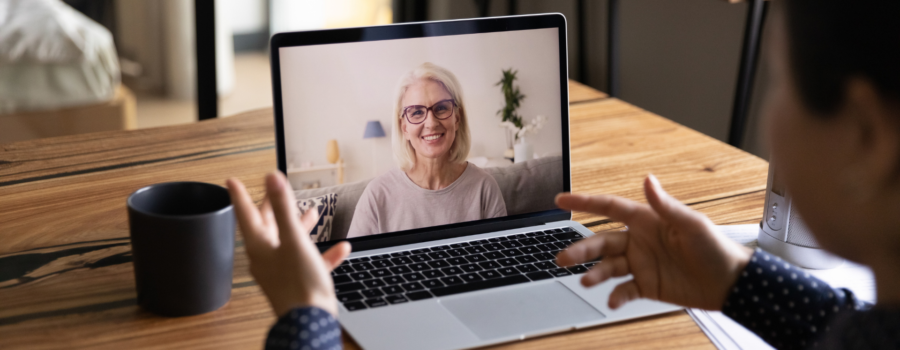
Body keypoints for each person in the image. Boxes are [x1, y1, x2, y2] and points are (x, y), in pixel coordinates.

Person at [226, 0, 900, 348]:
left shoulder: (482, 183)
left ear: (868, 136)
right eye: (414, 113)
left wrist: (306, 314)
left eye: (778, 83)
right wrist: (736, 280)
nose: (429, 122)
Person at [346, 62, 507, 238]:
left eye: (441, 108)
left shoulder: (484, 188)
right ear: (404, 128)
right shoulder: (377, 196)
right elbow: (355, 264)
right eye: (416, 112)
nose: (431, 123)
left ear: (457, 118)